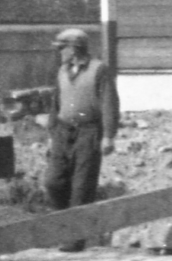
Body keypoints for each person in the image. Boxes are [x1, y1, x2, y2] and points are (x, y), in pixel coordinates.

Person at [42, 27, 120, 209]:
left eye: (62, 48)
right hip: (62, 133)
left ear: (74, 48)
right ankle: (63, 224)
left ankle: (77, 236)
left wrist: (108, 136)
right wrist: (51, 135)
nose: (59, 52)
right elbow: (56, 104)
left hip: (88, 134)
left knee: (82, 189)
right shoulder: (62, 71)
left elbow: (109, 103)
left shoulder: (98, 70)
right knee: (53, 183)